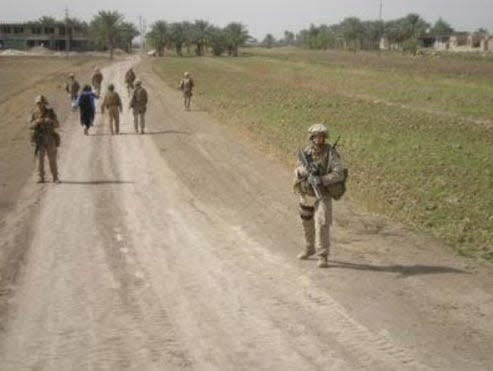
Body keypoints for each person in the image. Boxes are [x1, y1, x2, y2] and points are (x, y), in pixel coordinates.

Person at [293, 124, 345, 268]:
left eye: (322, 136)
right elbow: (297, 169)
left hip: (323, 193)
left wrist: (321, 179)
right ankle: (309, 248)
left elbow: (339, 173)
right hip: (307, 193)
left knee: (322, 223)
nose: (319, 139)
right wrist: (304, 172)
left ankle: (323, 255)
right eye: (316, 136)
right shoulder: (306, 152)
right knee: (306, 221)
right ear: (312, 137)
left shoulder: (331, 153)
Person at [29, 95, 60, 183]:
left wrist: (50, 121)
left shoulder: (51, 112)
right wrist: (36, 122)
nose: (39, 104)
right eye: (38, 103)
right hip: (39, 140)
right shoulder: (34, 113)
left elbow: (57, 124)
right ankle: (41, 177)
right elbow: (30, 126)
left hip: (50, 138)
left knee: (52, 159)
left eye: (41, 102)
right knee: (40, 160)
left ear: (44, 103)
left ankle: (55, 177)